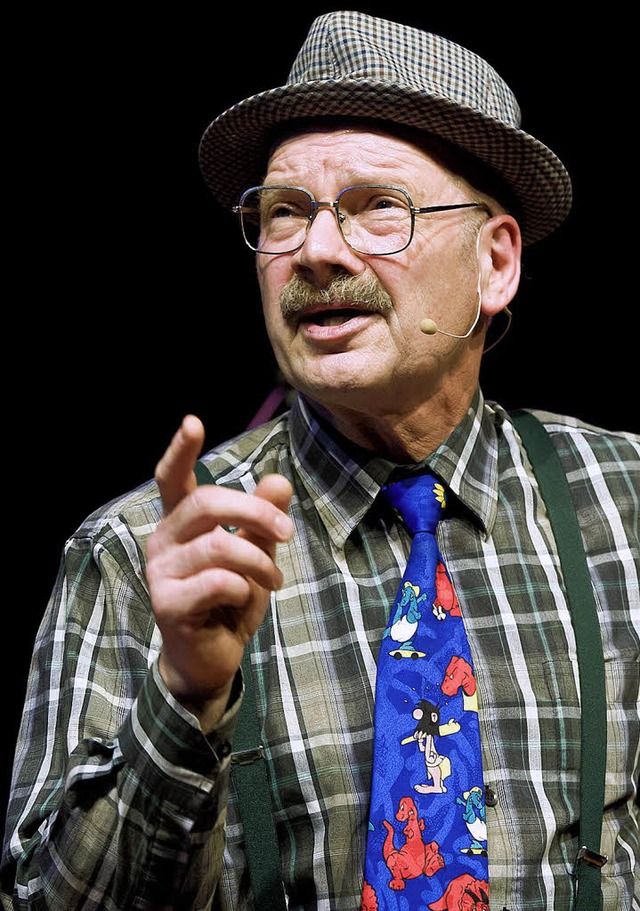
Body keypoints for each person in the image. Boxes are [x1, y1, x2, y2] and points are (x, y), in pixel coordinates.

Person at [2, 9, 638, 911]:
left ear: (496, 263)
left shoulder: (624, 506)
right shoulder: (142, 553)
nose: (317, 250)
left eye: (379, 207)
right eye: (284, 213)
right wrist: (183, 697)